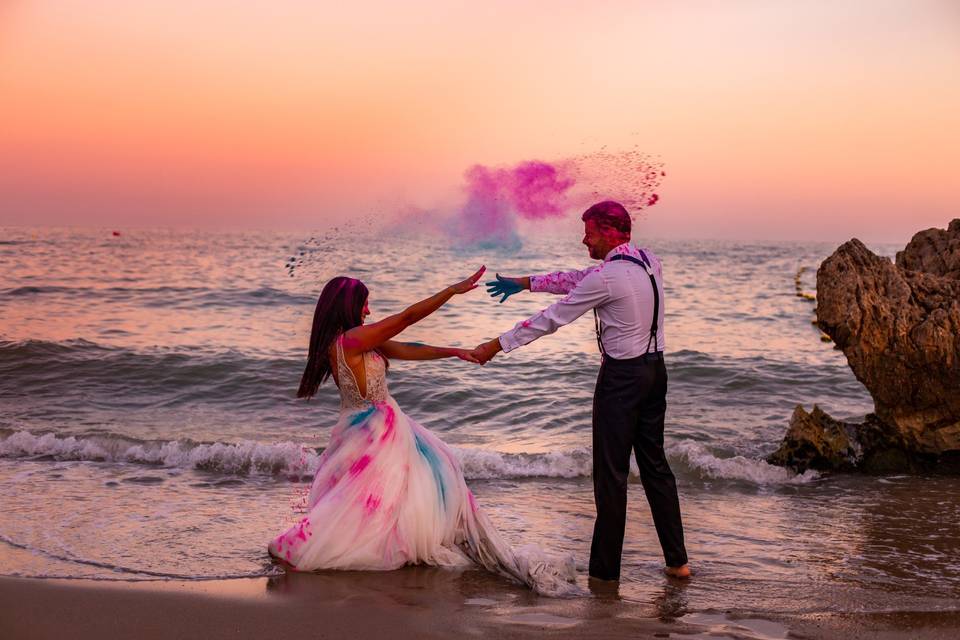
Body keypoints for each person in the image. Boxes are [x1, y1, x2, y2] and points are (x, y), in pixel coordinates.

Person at [268, 269, 575, 595]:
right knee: (376, 499)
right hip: (372, 431)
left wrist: (454, 352)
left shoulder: (356, 340)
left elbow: (408, 347)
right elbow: (408, 317)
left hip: (373, 425)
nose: (368, 311)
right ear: (348, 306)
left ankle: (388, 542)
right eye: (364, 305)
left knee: (391, 495)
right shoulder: (350, 341)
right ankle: (377, 547)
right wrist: (450, 291)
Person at [472, 200, 691, 582]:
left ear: (607, 231)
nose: (583, 240)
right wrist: (524, 283)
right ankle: (678, 563)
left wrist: (496, 344)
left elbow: (553, 318)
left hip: (621, 381)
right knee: (656, 468)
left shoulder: (606, 277)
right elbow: (579, 278)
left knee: (611, 478)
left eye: (588, 232)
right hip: (656, 374)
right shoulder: (648, 260)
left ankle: (604, 576)